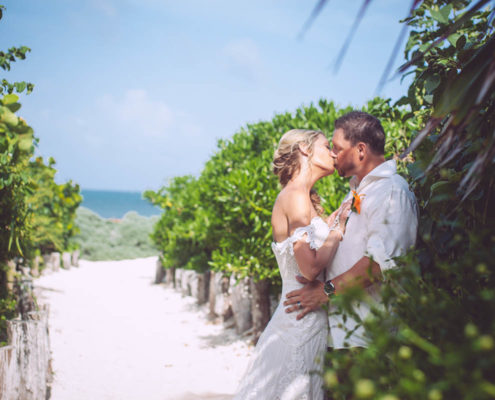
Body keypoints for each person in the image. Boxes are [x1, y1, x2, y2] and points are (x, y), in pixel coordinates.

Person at [283, 112, 418, 383]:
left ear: (360, 150)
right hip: (345, 335)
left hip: (369, 337)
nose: (333, 155)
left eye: (337, 147)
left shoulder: (390, 191)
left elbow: (379, 264)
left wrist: (326, 291)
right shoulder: (356, 191)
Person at [233, 129, 350, 400]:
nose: (333, 153)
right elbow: (309, 270)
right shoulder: (296, 196)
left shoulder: (300, 197)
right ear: (305, 150)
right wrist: (338, 230)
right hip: (299, 320)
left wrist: (330, 222)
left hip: (301, 317)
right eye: (325, 146)